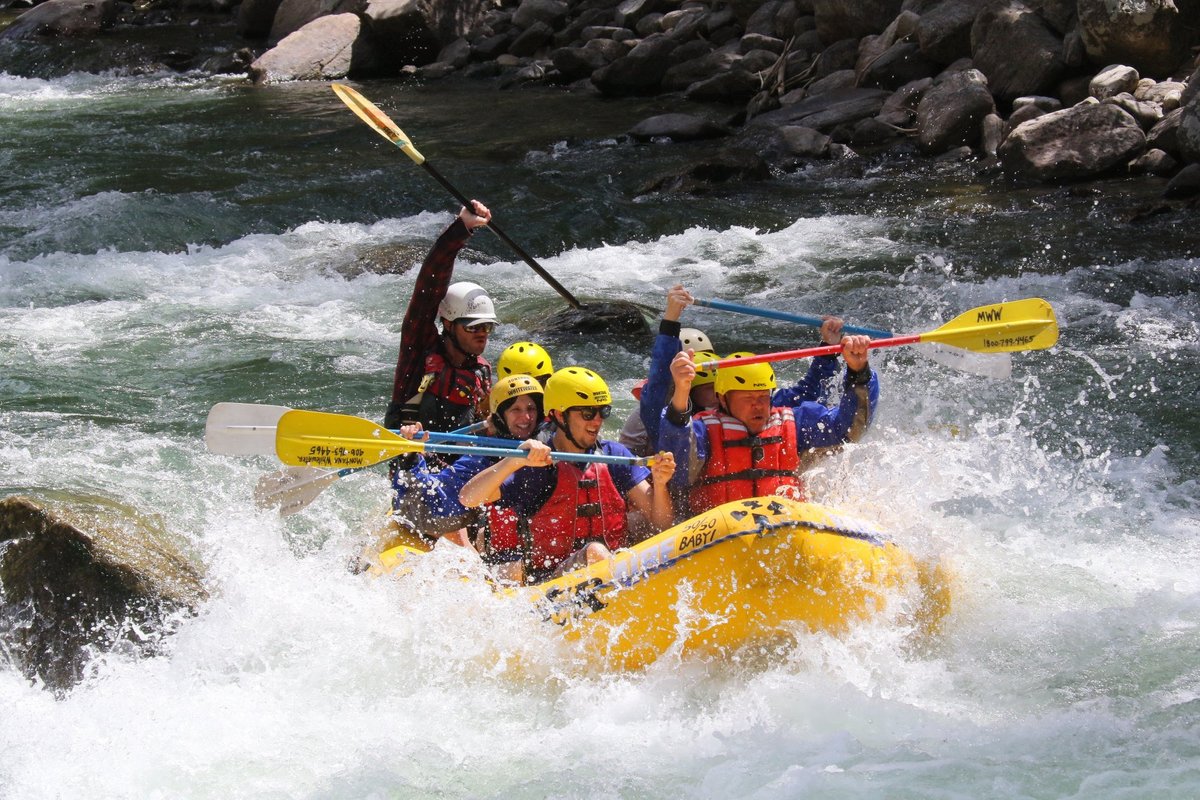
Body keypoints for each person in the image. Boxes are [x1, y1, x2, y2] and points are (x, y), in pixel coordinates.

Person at [459, 366, 676, 584]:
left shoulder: (613, 454)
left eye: (603, 412)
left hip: (612, 573)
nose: (597, 421)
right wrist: (513, 461)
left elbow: (662, 523)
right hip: (551, 583)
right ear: (560, 415)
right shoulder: (539, 465)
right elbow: (468, 498)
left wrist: (660, 483)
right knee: (595, 552)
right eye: (588, 413)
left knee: (638, 530)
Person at [619, 283, 857, 457]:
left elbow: (807, 392)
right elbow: (660, 379)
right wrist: (670, 320)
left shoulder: (746, 397)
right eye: (703, 384)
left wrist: (829, 347)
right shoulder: (664, 414)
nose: (713, 388)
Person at [658, 337, 878, 516]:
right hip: (718, 534)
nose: (758, 406)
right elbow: (680, 465)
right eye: (747, 399)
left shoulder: (796, 423)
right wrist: (682, 390)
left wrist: (858, 372)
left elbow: (849, 429)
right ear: (722, 399)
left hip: (783, 528)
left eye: (763, 397)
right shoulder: (703, 430)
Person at [390, 374, 545, 557]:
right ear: (501, 417)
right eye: (515, 410)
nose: (526, 417)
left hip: (452, 516)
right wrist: (411, 455)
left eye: (531, 408)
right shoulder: (485, 457)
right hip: (421, 512)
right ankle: (411, 454)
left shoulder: (524, 441)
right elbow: (440, 497)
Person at [383, 201, 498, 434]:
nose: (482, 334)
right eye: (473, 327)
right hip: (413, 459)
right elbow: (429, 286)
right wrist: (461, 228)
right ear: (448, 323)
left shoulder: (481, 372)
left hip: (460, 467)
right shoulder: (418, 352)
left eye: (487, 327)